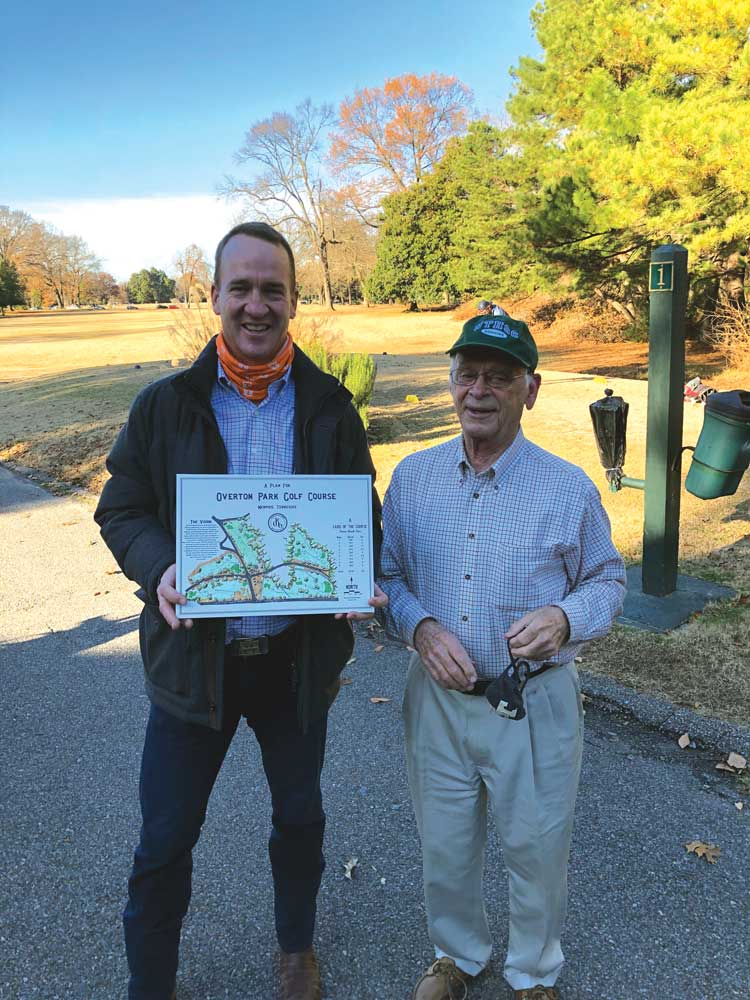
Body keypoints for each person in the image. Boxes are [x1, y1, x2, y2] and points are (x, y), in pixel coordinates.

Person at [95, 221, 385, 1000]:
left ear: (293, 300)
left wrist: (356, 577)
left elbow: (362, 515)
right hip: (196, 666)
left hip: (296, 665)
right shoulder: (165, 406)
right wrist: (159, 568)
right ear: (215, 296)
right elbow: (122, 510)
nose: (258, 306)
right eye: (242, 288)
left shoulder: (330, 408)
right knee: (164, 838)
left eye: (273, 290)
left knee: (300, 820)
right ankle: (150, 983)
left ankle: (296, 951)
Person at [378, 313, 625, 1000]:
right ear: (451, 382)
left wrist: (564, 616)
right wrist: (421, 629)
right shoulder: (413, 479)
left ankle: (534, 971)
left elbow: (608, 581)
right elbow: (388, 577)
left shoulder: (566, 488)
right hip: (438, 698)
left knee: (537, 848)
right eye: (468, 374)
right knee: (446, 845)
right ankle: (456, 956)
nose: (479, 391)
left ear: (532, 389)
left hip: (534, 701)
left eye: (500, 377)